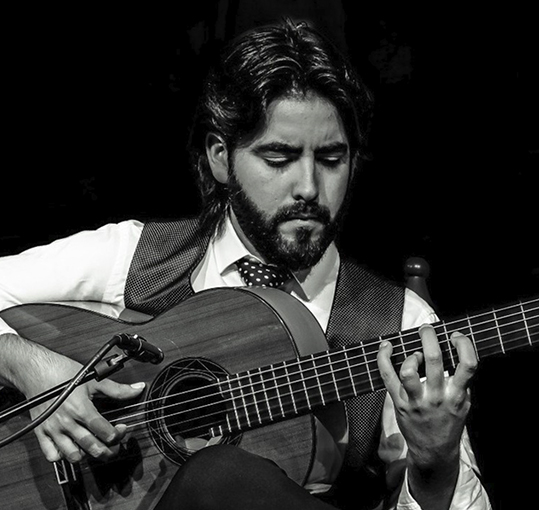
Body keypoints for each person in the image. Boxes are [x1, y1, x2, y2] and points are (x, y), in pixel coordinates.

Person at [0, 20, 489, 510]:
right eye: (279, 158)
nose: (309, 188)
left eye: (332, 159)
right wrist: (29, 367)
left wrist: (435, 462)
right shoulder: (136, 256)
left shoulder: (398, 324)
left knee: (221, 475)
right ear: (220, 157)